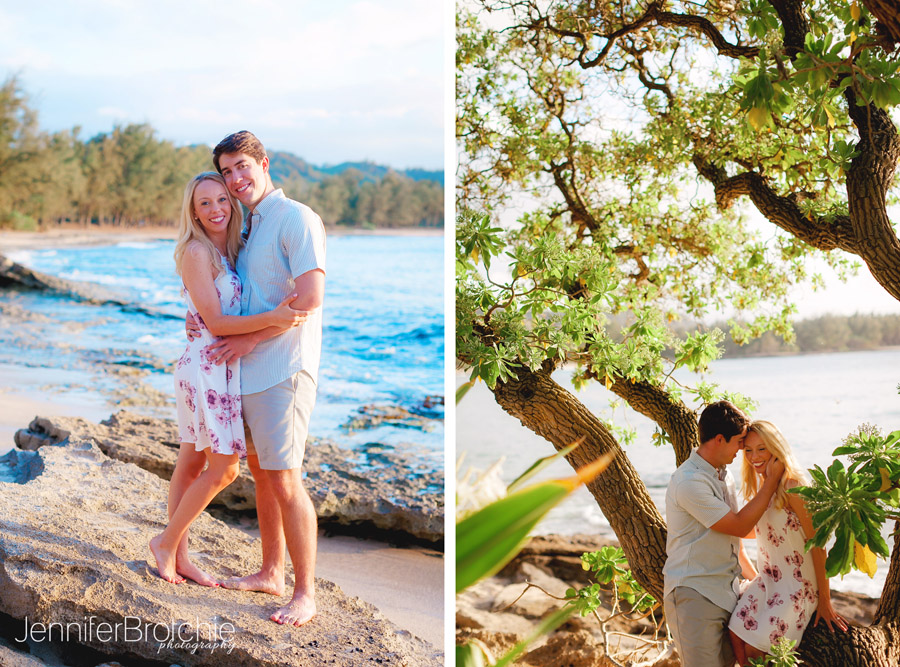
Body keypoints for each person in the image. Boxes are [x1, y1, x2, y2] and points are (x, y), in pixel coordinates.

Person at [189, 131, 326, 627]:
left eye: (242, 166)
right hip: (247, 373)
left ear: (264, 164)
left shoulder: (296, 218)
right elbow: (239, 296)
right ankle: (271, 572)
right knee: (265, 476)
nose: (235, 179)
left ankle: (305, 594)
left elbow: (309, 298)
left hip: (285, 369)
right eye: (227, 172)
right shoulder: (250, 227)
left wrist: (249, 340)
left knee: (286, 478)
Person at [149, 172, 306, 586]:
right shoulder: (197, 251)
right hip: (207, 369)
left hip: (220, 367)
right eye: (204, 203)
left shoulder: (233, 249)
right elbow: (217, 322)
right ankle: (166, 543)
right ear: (193, 212)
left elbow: (209, 309)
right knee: (224, 470)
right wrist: (274, 319)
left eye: (221, 199)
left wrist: (198, 316)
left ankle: (178, 556)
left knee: (190, 462)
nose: (216, 208)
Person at [663, 400, 785, 667]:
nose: (742, 450)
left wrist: (759, 581)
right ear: (720, 439)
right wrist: (771, 482)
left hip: (727, 593)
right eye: (740, 442)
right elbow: (739, 525)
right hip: (695, 595)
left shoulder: (723, 475)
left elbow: (735, 540)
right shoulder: (689, 482)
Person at [728, 420, 848, 665]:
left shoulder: (793, 485)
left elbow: (818, 544)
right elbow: (758, 530)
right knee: (734, 634)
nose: (754, 457)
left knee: (756, 649)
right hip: (768, 582)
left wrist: (825, 602)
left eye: (762, 449)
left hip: (797, 588)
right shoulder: (765, 487)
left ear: (776, 449)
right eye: (748, 450)